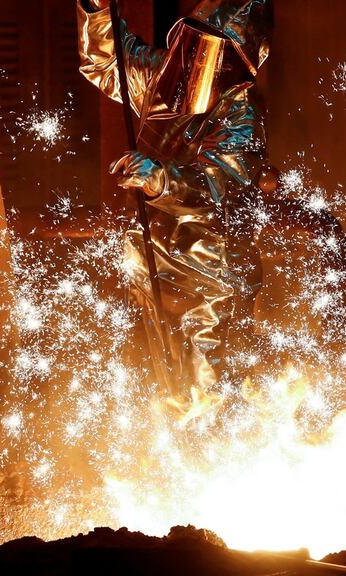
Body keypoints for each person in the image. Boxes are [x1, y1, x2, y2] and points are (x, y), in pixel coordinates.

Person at [76, 0, 273, 394]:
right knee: (157, 395)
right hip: (151, 266)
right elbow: (107, 60)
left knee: (206, 397)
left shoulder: (239, 114)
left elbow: (220, 188)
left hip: (209, 282)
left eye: (210, 49)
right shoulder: (165, 77)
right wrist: (95, 10)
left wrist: (160, 180)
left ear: (233, 62)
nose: (195, 59)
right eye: (193, 43)